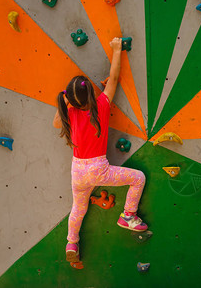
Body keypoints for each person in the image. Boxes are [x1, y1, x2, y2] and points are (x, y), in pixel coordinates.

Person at [53, 37, 148, 263]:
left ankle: (71, 241)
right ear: (91, 97)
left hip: (78, 171)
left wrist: (67, 100)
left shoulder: (70, 114)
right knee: (138, 178)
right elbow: (114, 78)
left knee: (78, 207)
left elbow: (57, 123)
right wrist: (116, 49)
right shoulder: (102, 107)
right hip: (98, 170)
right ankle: (128, 215)